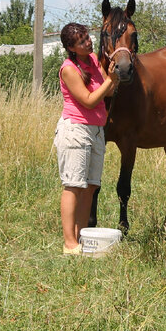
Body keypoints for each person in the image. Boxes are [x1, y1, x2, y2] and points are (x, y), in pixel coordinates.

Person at [55, 22, 116, 255]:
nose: (89, 42)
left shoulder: (91, 61)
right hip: (76, 131)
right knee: (73, 185)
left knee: (90, 186)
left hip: (96, 130)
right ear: (71, 47)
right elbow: (89, 100)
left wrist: (113, 76)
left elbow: (107, 91)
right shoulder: (69, 68)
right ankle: (69, 243)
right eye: (82, 41)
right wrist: (110, 79)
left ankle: (81, 236)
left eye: (88, 37)